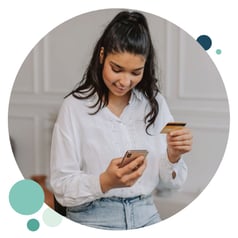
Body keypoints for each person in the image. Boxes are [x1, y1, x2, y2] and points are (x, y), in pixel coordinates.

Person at [50, 10, 193, 230]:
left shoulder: (156, 103)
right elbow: (61, 186)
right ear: (101, 56)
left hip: (147, 214)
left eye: (136, 72)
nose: (125, 81)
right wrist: (105, 181)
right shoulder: (74, 107)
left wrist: (173, 156)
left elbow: (173, 184)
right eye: (116, 69)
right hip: (92, 217)